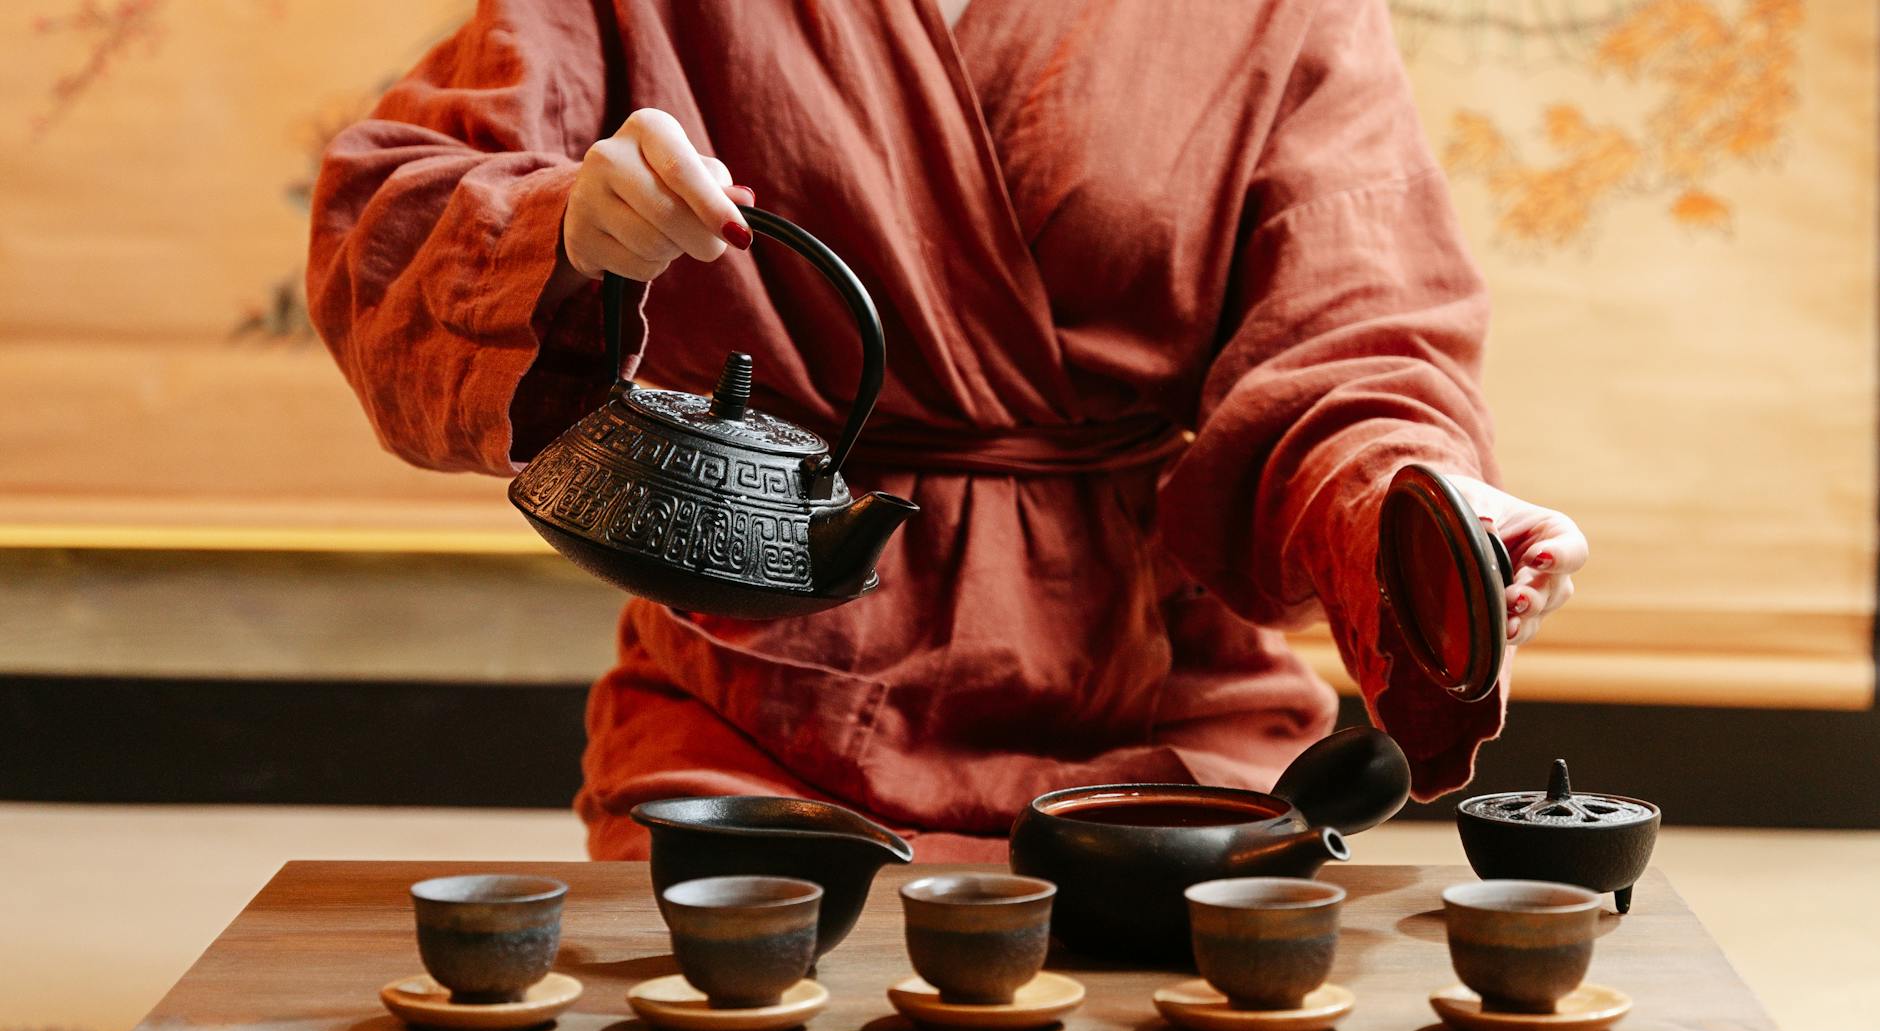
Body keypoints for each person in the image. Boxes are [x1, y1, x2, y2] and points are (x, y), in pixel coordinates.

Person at [308, 0, 1587, 863]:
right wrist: (572, 229)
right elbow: (393, 214)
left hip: (1159, 704)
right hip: (763, 701)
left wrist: (1430, 520)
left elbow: (1355, 344)